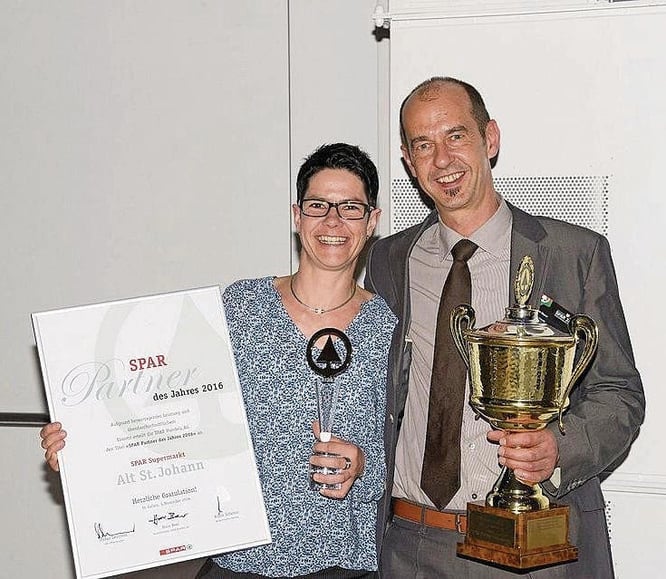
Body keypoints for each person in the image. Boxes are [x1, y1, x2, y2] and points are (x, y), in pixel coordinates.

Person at [40, 143, 398, 579]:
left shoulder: (389, 326)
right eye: (318, 205)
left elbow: (403, 450)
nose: (333, 221)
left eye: (351, 208)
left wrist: (363, 465)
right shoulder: (240, 306)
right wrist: (87, 447)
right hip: (238, 559)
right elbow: (168, 407)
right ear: (296, 215)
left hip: (341, 563)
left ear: (372, 221)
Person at [364, 77, 645, 578]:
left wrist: (558, 447)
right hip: (409, 543)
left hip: (527, 547)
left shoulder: (572, 254)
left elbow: (619, 394)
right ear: (408, 162)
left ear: (489, 139)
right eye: (423, 145)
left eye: (456, 136)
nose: (442, 160)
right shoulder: (389, 260)